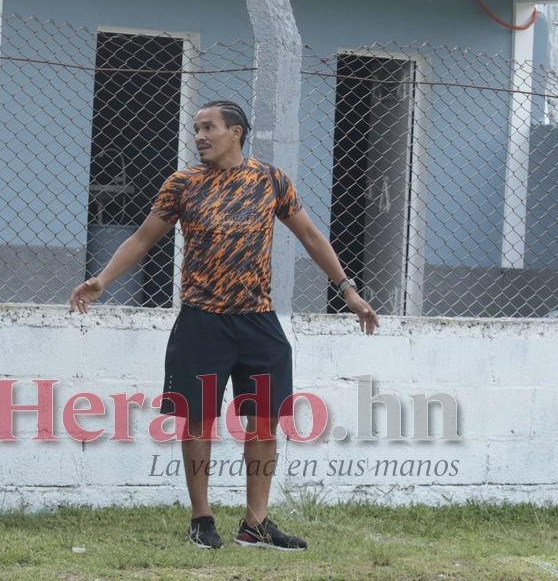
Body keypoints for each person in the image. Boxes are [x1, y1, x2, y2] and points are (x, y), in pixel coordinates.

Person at [70, 100, 378, 551]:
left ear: (235, 131)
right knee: (198, 422)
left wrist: (348, 290)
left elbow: (311, 236)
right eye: (196, 129)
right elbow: (142, 237)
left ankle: (255, 524)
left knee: (264, 424)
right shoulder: (182, 184)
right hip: (201, 321)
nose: (199, 136)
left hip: (258, 320)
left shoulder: (270, 180)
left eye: (208, 127)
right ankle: (202, 519)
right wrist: (102, 279)